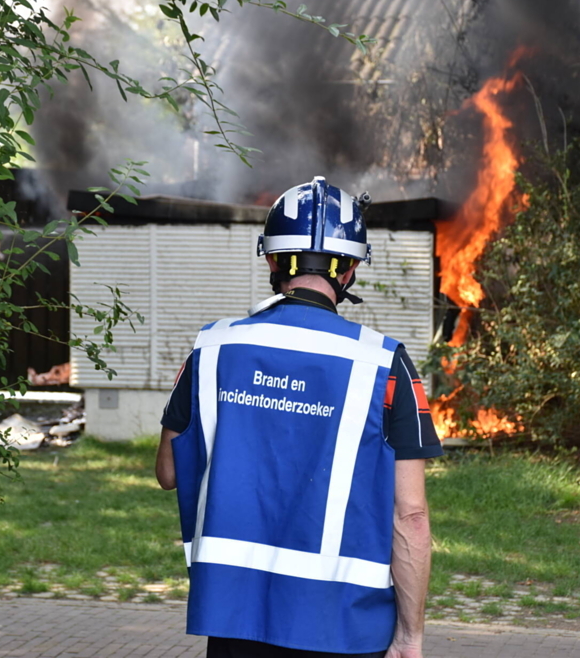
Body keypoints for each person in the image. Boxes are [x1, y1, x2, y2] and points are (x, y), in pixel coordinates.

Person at [155, 176, 442, 658]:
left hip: (235, 620)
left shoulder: (214, 348)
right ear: (349, 269)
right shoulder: (386, 365)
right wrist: (410, 638)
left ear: (271, 260)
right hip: (345, 628)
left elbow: (168, 472)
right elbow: (409, 514)